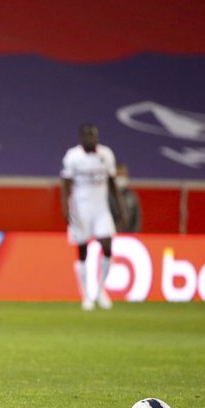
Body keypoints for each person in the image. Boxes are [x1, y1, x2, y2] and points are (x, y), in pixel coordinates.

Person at [60, 124, 124, 310]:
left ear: (97, 136)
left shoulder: (106, 155)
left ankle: (101, 290)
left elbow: (112, 183)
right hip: (80, 209)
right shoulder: (73, 156)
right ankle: (86, 295)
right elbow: (65, 184)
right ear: (81, 138)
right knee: (82, 251)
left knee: (107, 245)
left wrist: (121, 209)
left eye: (93, 135)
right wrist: (65, 208)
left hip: (101, 208)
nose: (90, 139)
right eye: (86, 136)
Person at [109, 163, 141, 233]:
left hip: (128, 236)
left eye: (123, 175)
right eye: (119, 175)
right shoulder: (107, 197)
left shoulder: (132, 197)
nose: (121, 178)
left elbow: (136, 220)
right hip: (112, 236)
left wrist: (134, 235)